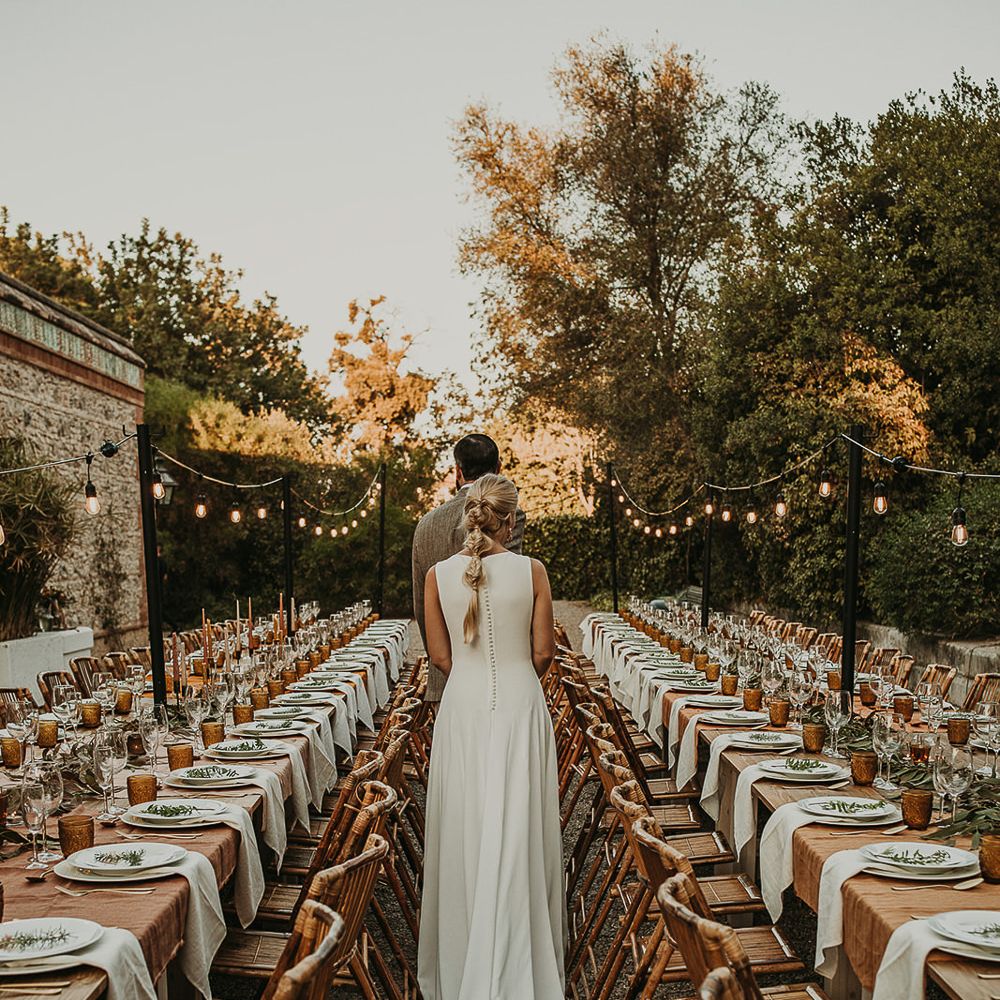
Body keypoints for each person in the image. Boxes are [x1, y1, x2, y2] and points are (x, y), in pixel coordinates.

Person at [417, 474, 565, 1000]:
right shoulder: (534, 571)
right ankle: (519, 961)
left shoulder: (437, 575)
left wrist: (474, 681)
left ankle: (465, 959)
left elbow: (439, 656)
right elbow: (544, 652)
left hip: (462, 707)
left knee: (466, 826)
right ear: (510, 519)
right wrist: (516, 682)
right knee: (521, 824)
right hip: (522, 706)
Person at [412, 433, 525, 702]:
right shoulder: (508, 515)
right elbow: (514, 587)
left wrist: (445, 662)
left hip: (447, 680)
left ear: (457, 470)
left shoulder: (425, 524)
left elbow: (420, 606)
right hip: (503, 678)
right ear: (499, 469)